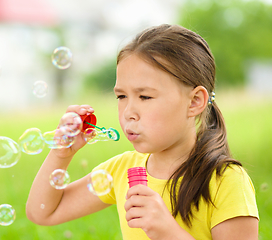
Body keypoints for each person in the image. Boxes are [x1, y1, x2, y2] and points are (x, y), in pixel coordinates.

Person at [26, 24, 259, 240]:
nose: (128, 112)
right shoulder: (122, 170)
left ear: (195, 101)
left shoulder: (225, 181)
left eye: (145, 96)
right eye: (121, 96)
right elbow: (44, 213)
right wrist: (61, 154)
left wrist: (169, 232)